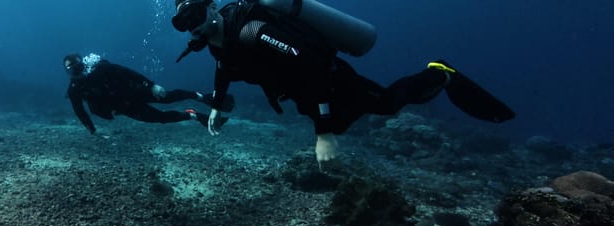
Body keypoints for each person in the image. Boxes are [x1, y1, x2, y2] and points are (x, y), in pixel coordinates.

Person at [171, 0, 515, 168]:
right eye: (183, 21)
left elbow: (309, 64)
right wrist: (217, 104)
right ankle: (333, 122)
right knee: (343, 121)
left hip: (329, 80)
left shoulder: (249, 30)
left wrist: (323, 133)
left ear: (212, 7)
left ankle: (440, 72)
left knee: (385, 104)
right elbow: (224, 69)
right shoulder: (221, 44)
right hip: (305, 94)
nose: (191, 25)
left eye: (195, 14)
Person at [64, 52, 233, 135]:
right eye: (72, 70)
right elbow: (80, 111)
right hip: (125, 107)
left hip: (136, 92)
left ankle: (201, 97)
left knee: (168, 97)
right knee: (160, 118)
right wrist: (92, 130)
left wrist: (151, 85)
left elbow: (128, 72)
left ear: (84, 64)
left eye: (78, 67)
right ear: (69, 73)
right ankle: (192, 115)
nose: (77, 72)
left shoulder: (101, 68)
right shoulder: (74, 90)